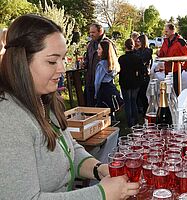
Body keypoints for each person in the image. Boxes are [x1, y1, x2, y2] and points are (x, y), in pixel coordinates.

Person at [0, 14, 139, 200]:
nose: (62, 69)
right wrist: (101, 194)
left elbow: (67, 148)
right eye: (52, 61)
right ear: (21, 62)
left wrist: (99, 169)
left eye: (63, 59)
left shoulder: (45, 100)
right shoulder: (8, 119)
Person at [84, 23, 115, 107]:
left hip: (103, 83)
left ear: (100, 31)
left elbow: (113, 62)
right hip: (90, 80)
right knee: (90, 106)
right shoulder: (90, 44)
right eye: (90, 32)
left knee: (104, 109)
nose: (91, 34)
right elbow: (87, 58)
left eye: (93, 32)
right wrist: (84, 63)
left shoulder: (108, 44)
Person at [157, 23, 187, 96]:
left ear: (172, 31)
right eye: (165, 31)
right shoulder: (165, 41)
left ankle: (177, 106)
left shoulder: (180, 41)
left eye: (166, 31)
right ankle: (168, 106)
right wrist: (159, 53)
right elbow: (162, 53)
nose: (165, 33)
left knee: (176, 92)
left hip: (177, 71)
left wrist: (184, 67)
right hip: (167, 70)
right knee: (167, 92)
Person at [118, 38, 145, 127]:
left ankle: (129, 122)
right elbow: (142, 70)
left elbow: (119, 70)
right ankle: (136, 120)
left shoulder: (121, 59)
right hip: (135, 81)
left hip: (124, 81)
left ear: (125, 47)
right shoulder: (137, 58)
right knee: (133, 101)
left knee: (127, 102)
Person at [95, 40, 123, 118]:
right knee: (111, 109)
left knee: (102, 113)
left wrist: (96, 94)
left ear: (104, 51)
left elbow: (97, 82)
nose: (97, 51)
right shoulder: (111, 63)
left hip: (103, 90)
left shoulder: (101, 65)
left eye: (99, 49)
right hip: (111, 88)